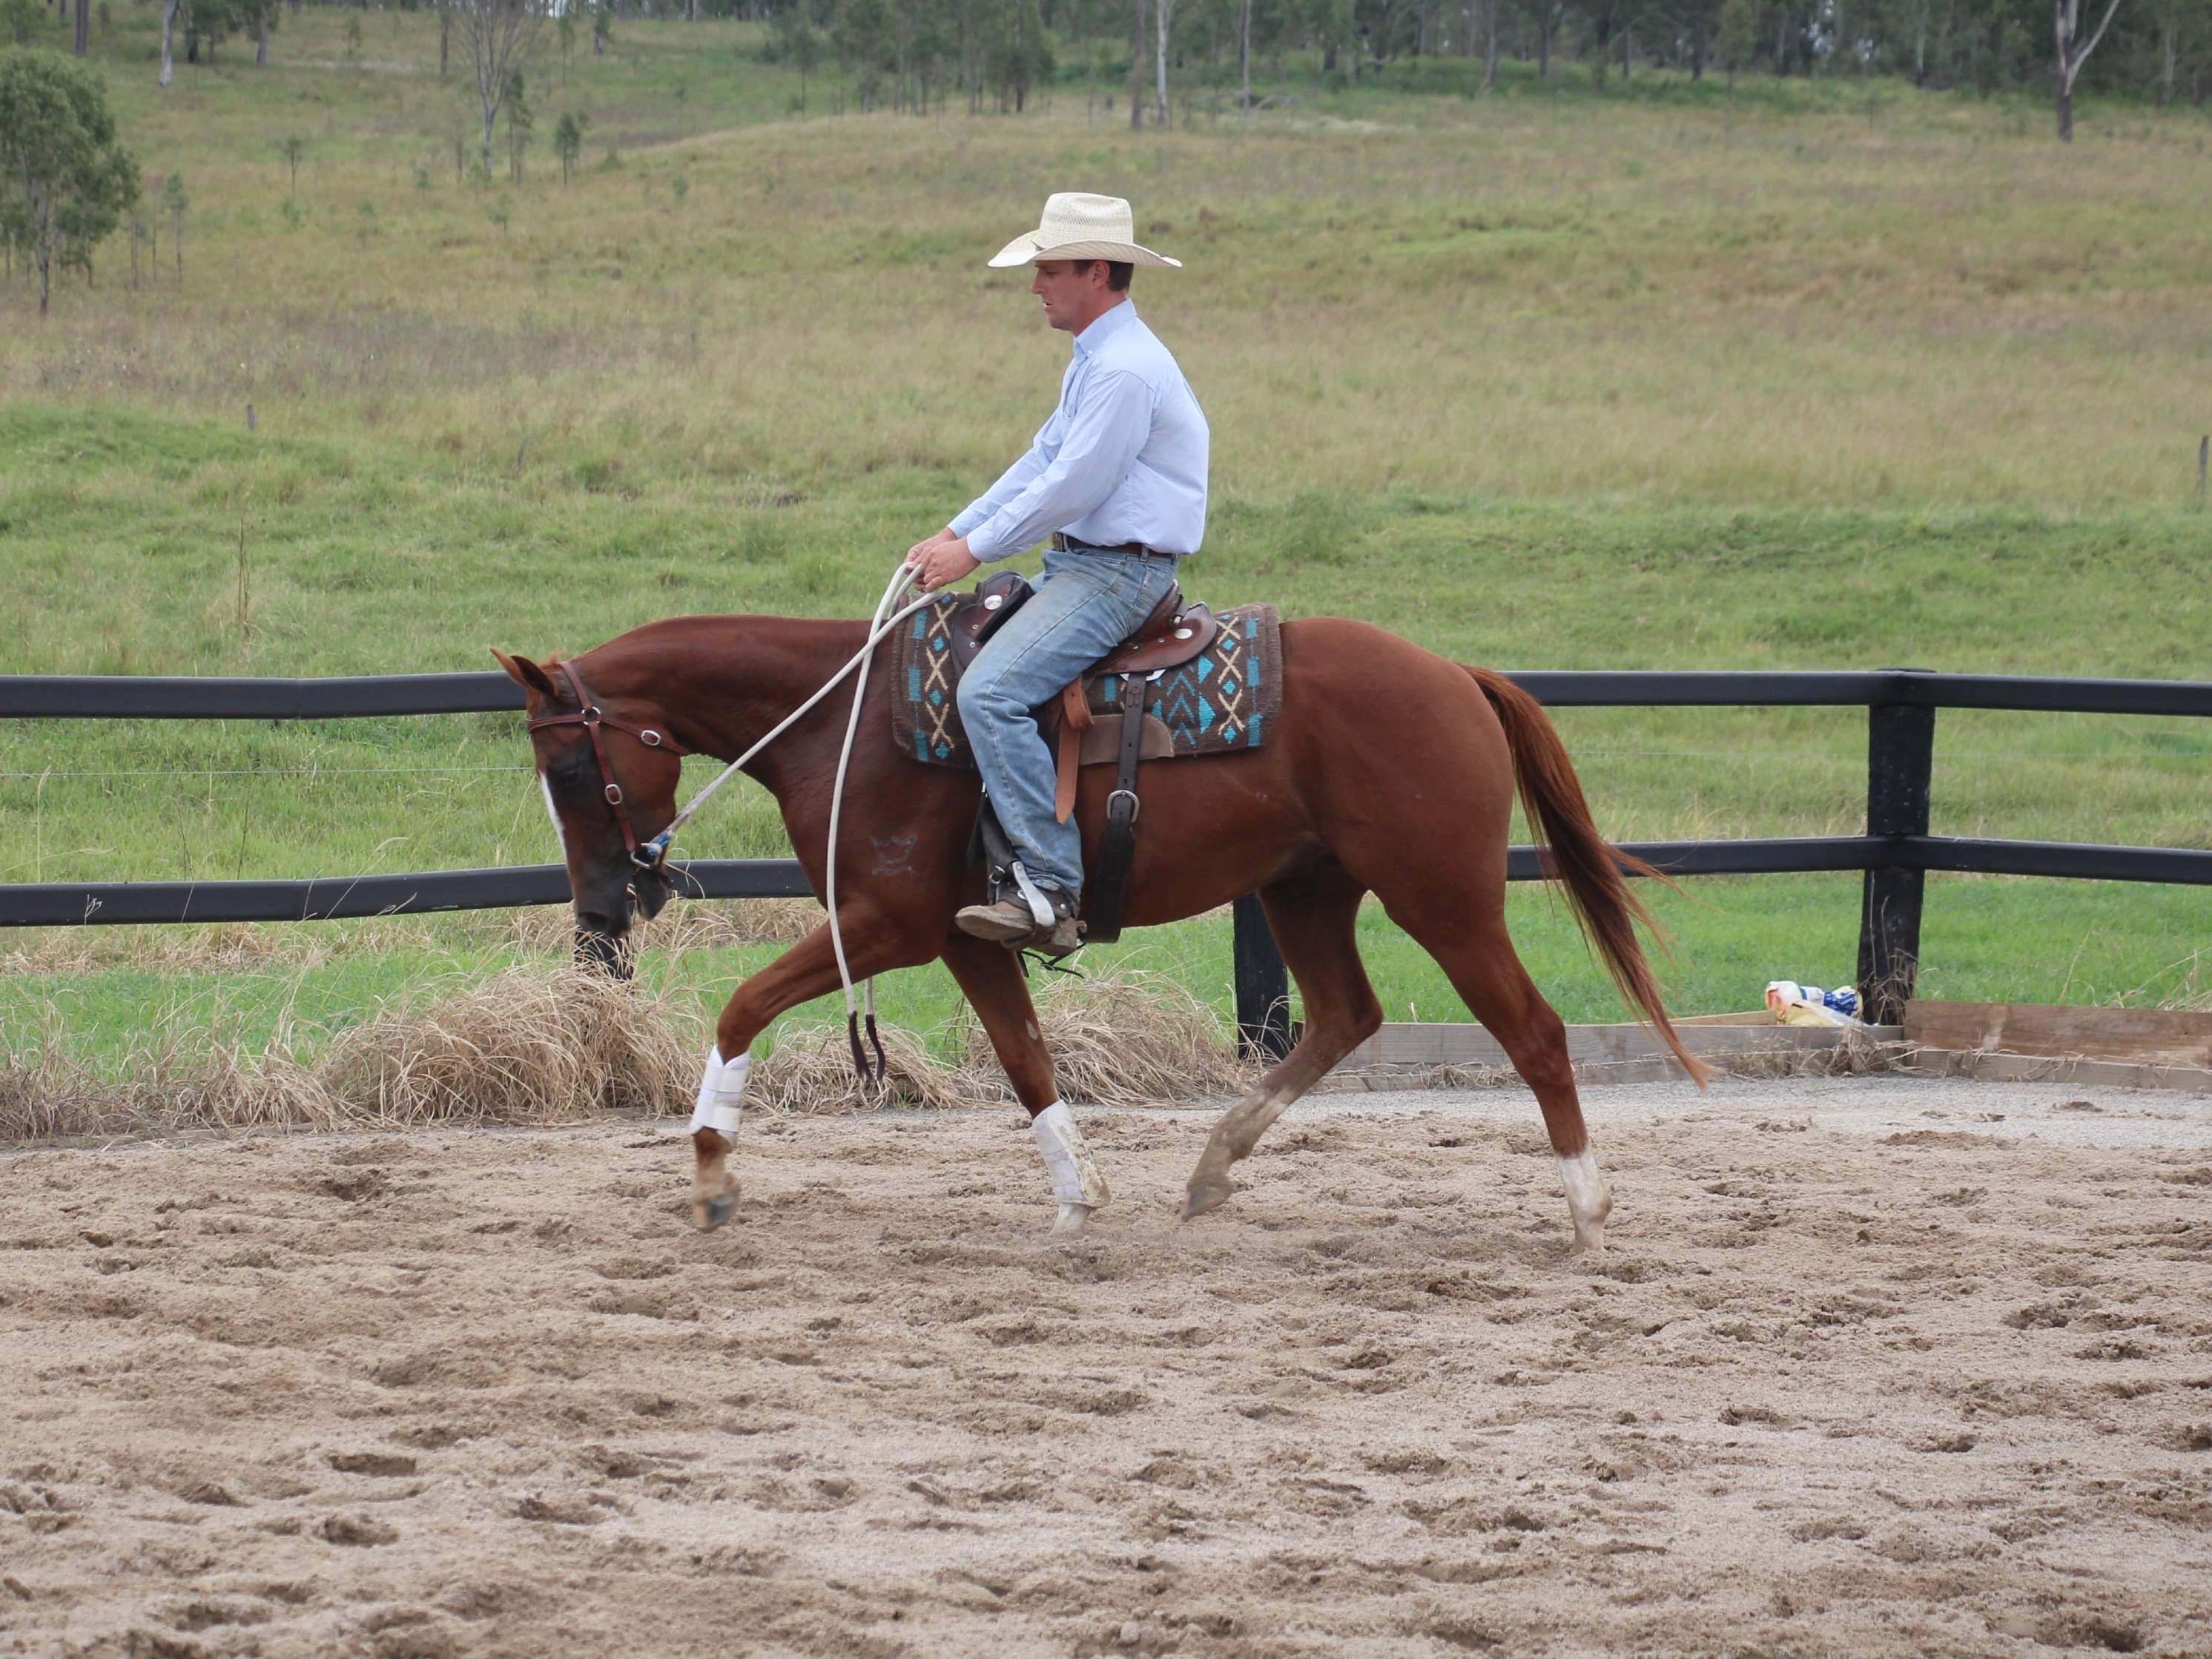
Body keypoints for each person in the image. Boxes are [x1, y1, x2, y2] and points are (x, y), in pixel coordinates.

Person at [905, 192, 1210, 951]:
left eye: (1049, 270)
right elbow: (1041, 461)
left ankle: (1048, 886)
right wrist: (957, 529)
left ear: (1096, 273)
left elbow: (1072, 486)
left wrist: (972, 552)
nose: (1035, 285)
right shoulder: (1100, 359)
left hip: (1114, 578)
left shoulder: (1124, 372)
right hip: (1087, 565)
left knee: (990, 692)